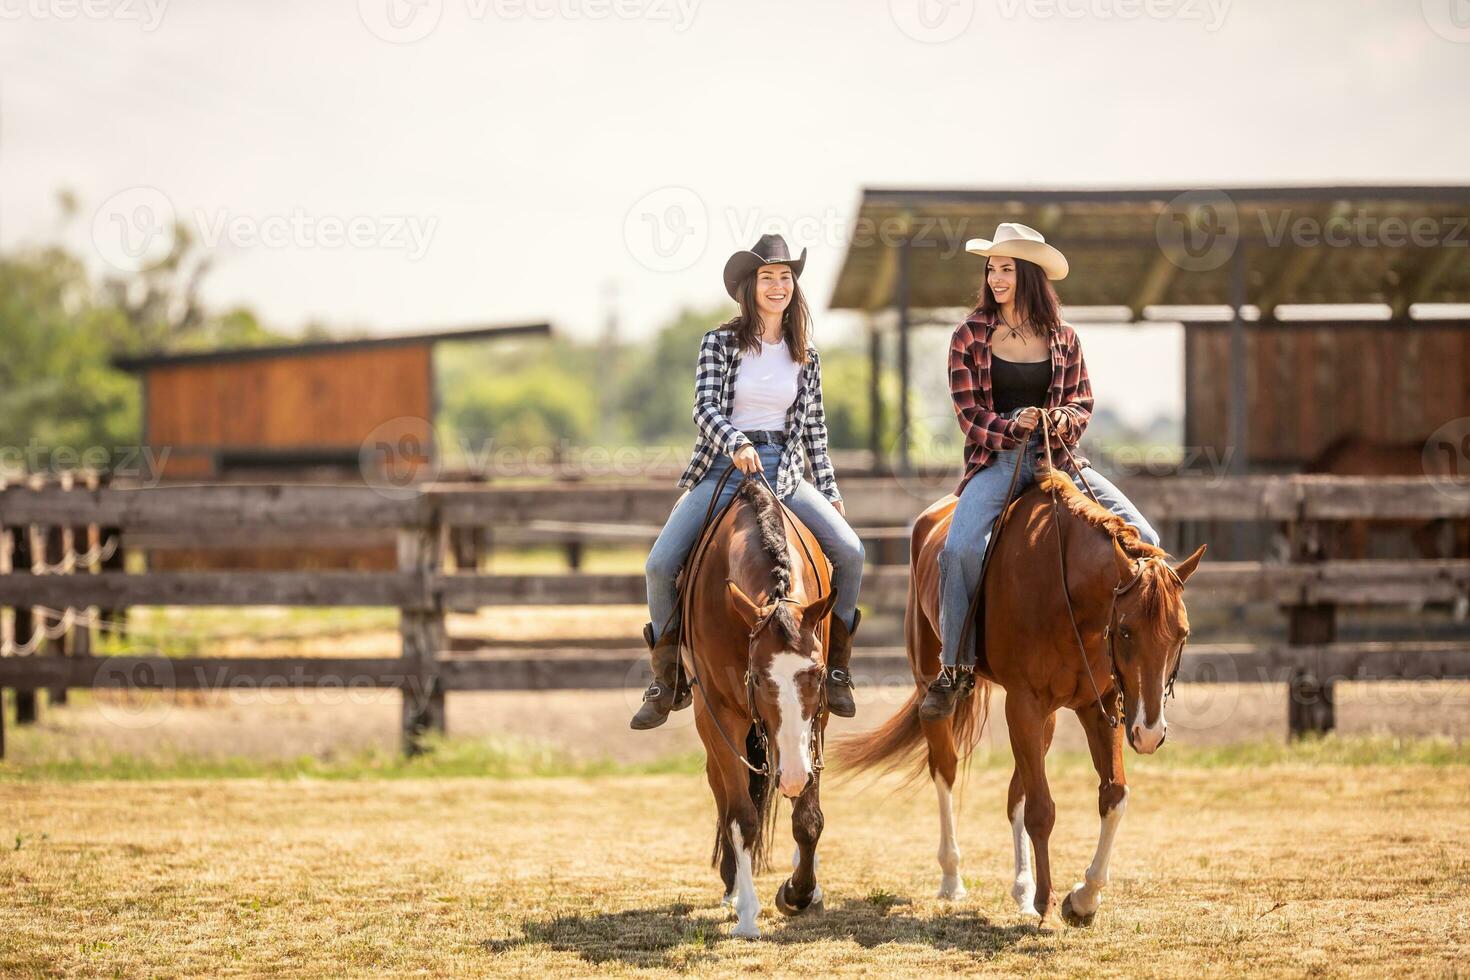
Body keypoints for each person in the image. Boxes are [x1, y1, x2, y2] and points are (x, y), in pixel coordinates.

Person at [919, 222, 1162, 722]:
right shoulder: (968, 336)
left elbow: (1082, 403)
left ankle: (1122, 661)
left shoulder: (1064, 338)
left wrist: (1055, 419)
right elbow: (968, 414)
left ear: (1028, 274)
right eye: (991, 269)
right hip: (997, 463)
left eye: (1005, 268)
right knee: (960, 548)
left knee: (1148, 535)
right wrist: (1011, 427)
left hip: (1061, 463)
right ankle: (956, 668)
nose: (995, 278)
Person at [632, 232, 867, 730]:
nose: (778, 285)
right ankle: (666, 678)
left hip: (784, 468)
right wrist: (736, 443)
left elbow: (816, 432)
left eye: (786, 277)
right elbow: (704, 408)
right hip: (722, 467)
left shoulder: (807, 354)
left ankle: (839, 668)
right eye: (768, 277)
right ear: (751, 286)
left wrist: (829, 490)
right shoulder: (719, 341)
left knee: (850, 551)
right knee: (658, 565)